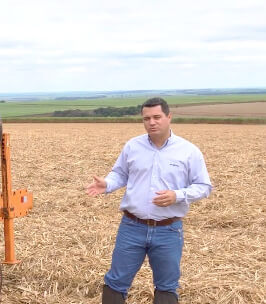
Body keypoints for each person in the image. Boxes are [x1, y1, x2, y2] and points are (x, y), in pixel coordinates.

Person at [85, 97, 212, 304]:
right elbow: (120, 174)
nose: (151, 122)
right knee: (115, 282)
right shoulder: (133, 146)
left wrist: (177, 195)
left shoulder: (189, 151)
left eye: (157, 117)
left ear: (169, 117)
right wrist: (107, 184)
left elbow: (204, 187)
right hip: (131, 226)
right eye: (146, 118)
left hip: (168, 230)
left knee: (166, 286)